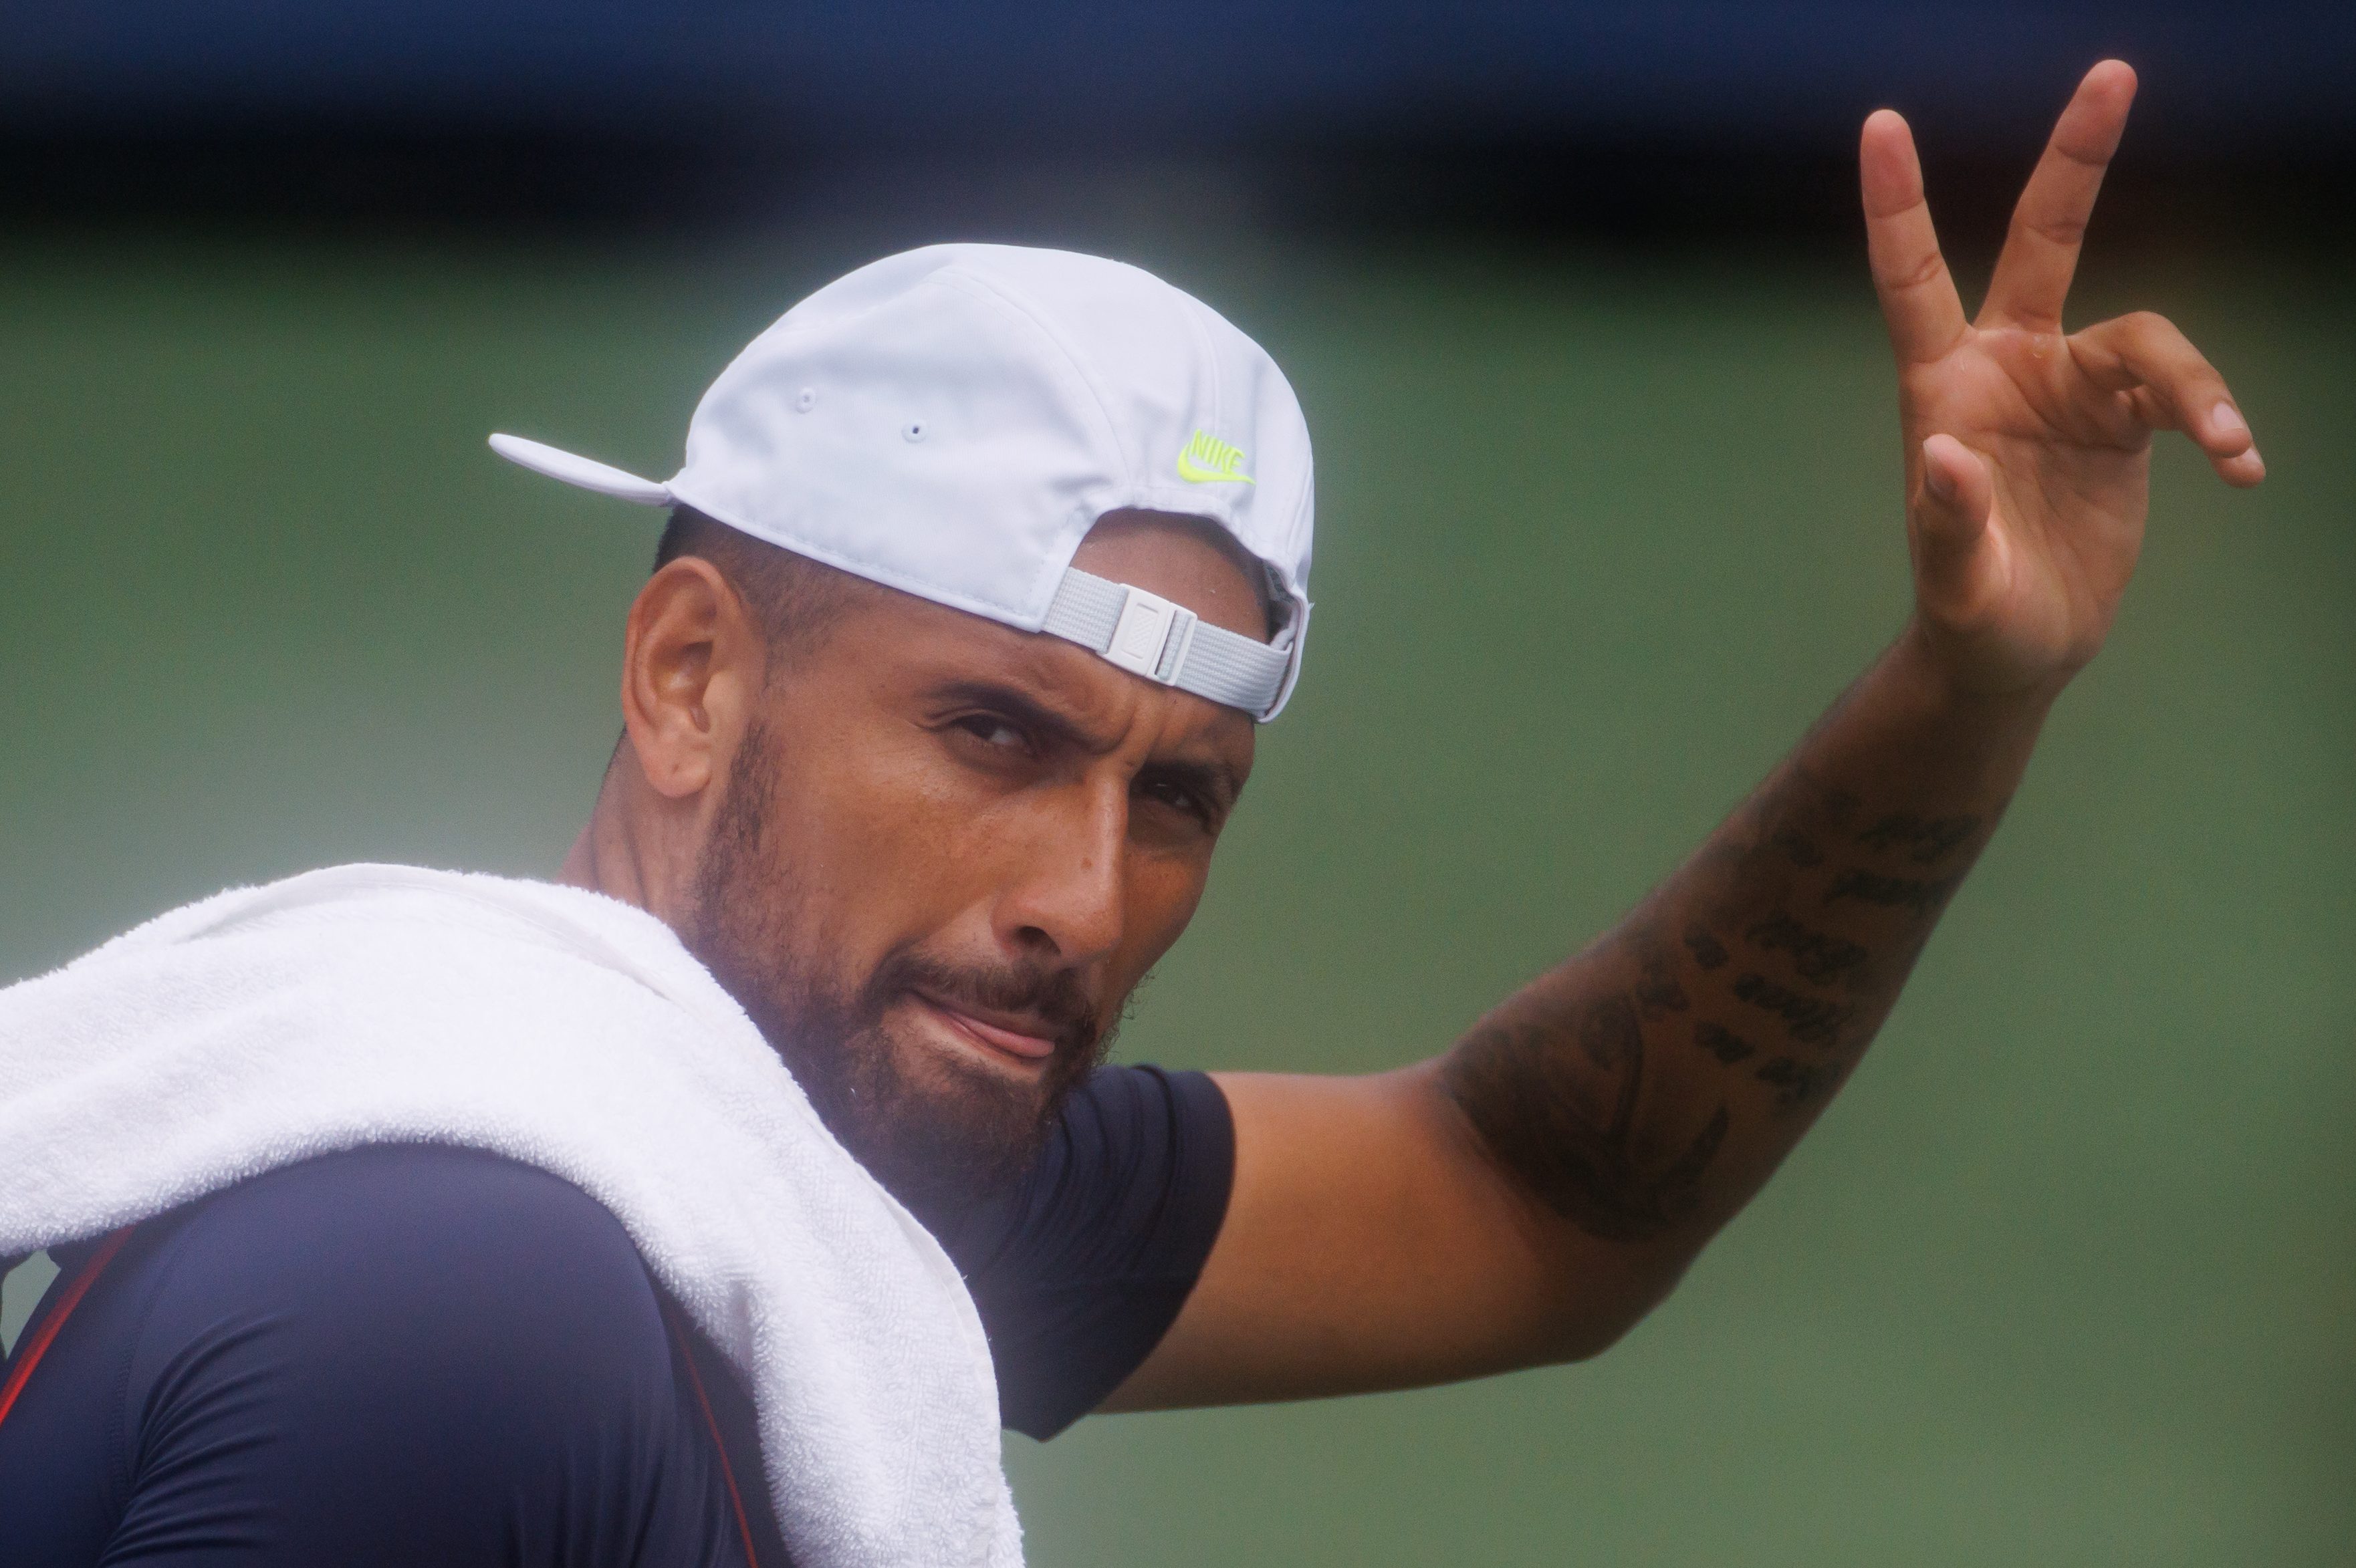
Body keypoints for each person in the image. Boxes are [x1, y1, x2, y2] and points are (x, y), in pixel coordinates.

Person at [0, 61, 2262, 1567]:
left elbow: (1533, 1197)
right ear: (689, 675)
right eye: (991, 732)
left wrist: (1963, 693)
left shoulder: (788, 1184)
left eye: (1176, 795)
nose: (1084, 901)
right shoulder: (463, 1313)